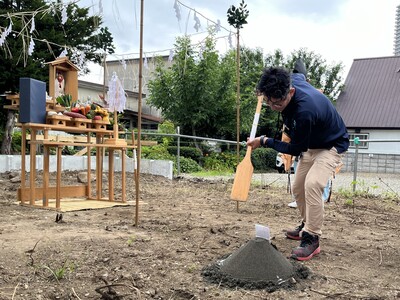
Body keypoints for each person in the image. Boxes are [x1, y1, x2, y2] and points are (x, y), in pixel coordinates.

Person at [247, 66, 349, 261]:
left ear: (290, 92)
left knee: (313, 184)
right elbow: (300, 71)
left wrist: (264, 141)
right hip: (312, 144)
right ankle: (305, 224)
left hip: (331, 145)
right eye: (269, 103)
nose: (274, 107)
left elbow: (294, 149)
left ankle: (312, 237)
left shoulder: (305, 111)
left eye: (277, 103)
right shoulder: (291, 80)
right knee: (298, 187)